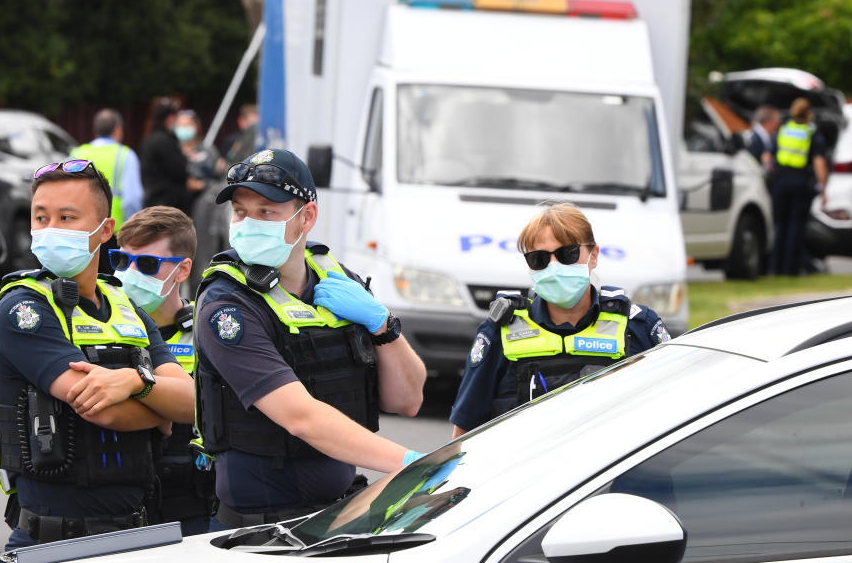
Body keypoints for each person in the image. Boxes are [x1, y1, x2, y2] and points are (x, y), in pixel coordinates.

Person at [193, 148, 428, 531]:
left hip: (338, 515)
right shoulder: (227, 304)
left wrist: (384, 325)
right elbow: (301, 418)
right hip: (261, 529)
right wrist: (409, 465)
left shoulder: (338, 280)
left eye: (266, 211)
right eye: (240, 211)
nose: (248, 223)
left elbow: (407, 400)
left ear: (307, 218)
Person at [0, 159, 195, 552]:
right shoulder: (24, 308)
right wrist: (160, 409)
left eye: (67, 217)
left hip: (137, 533)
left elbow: (192, 402)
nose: (50, 230)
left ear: (105, 230)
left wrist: (135, 381)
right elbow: (99, 407)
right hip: (53, 540)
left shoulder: (126, 305)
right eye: (41, 217)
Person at [449, 202, 671, 437]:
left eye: (568, 254)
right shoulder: (501, 330)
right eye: (539, 259)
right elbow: (464, 432)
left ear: (593, 255)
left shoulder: (638, 326)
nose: (553, 267)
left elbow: (676, 408)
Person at [112, 206, 214, 536]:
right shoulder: (98, 327)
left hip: (192, 506)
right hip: (119, 505)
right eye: (121, 260)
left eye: (146, 264)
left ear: (183, 270)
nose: (128, 273)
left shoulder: (210, 329)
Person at [71, 108, 144, 274]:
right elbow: (132, 199)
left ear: (96, 130)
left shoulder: (77, 153)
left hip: (81, 232)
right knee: (112, 284)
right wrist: (134, 231)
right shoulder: (125, 155)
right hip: (114, 232)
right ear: (117, 130)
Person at [769, 97, 829, 275]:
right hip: (799, 182)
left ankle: (774, 267)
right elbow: (819, 164)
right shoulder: (811, 134)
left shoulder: (784, 130)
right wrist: (823, 188)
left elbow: (770, 156)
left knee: (780, 225)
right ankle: (790, 268)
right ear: (808, 113)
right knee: (795, 226)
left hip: (780, 182)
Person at [141, 97, 204, 213]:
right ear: (170, 118)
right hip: (169, 205)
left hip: (153, 202)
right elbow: (179, 170)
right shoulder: (166, 141)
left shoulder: (149, 140)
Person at [214, 104, 259, 176]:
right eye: (252, 126)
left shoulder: (261, 141)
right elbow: (226, 160)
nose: (253, 130)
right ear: (241, 121)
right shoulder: (233, 140)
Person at [746, 104, 781, 175]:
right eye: (777, 121)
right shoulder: (753, 138)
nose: (778, 124)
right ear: (770, 122)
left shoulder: (765, 137)